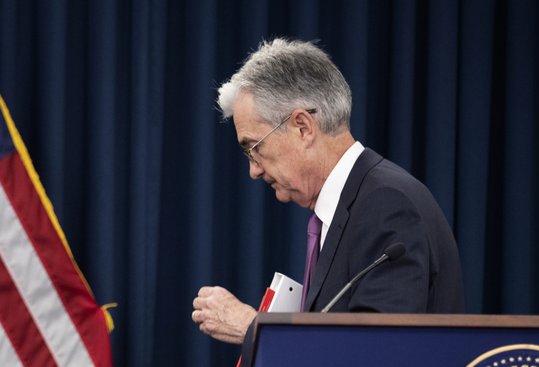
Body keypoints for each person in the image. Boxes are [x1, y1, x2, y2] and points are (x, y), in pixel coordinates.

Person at [191, 38, 463, 345]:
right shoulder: (354, 203)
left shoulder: (385, 205)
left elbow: (377, 355)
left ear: (303, 127)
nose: (254, 170)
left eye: (255, 147)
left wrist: (253, 329)